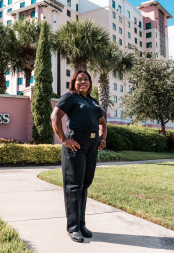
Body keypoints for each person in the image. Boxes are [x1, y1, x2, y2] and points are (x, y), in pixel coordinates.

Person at [50, 70, 107, 243]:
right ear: (74, 82)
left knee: (84, 184)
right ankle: (73, 227)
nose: (83, 82)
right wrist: (63, 139)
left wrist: (102, 139)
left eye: (86, 79)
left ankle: (82, 224)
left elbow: (102, 122)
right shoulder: (70, 97)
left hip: (92, 145)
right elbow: (55, 116)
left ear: (90, 82)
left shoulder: (93, 101)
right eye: (79, 79)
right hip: (76, 143)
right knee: (74, 186)